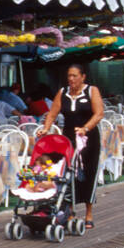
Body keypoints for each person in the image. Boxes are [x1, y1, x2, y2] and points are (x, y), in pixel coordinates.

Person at [41, 62, 104, 230]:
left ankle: (89, 213)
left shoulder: (92, 91)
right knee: (67, 174)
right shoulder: (63, 93)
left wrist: (85, 128)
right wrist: (46, 128)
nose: (71, 79)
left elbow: (99, 114)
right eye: (69, 75)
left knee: (88, 173)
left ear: (83, 76)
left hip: (88, 138)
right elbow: (52, 113)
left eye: (75, 75)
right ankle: (69, 210)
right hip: (68, 139)